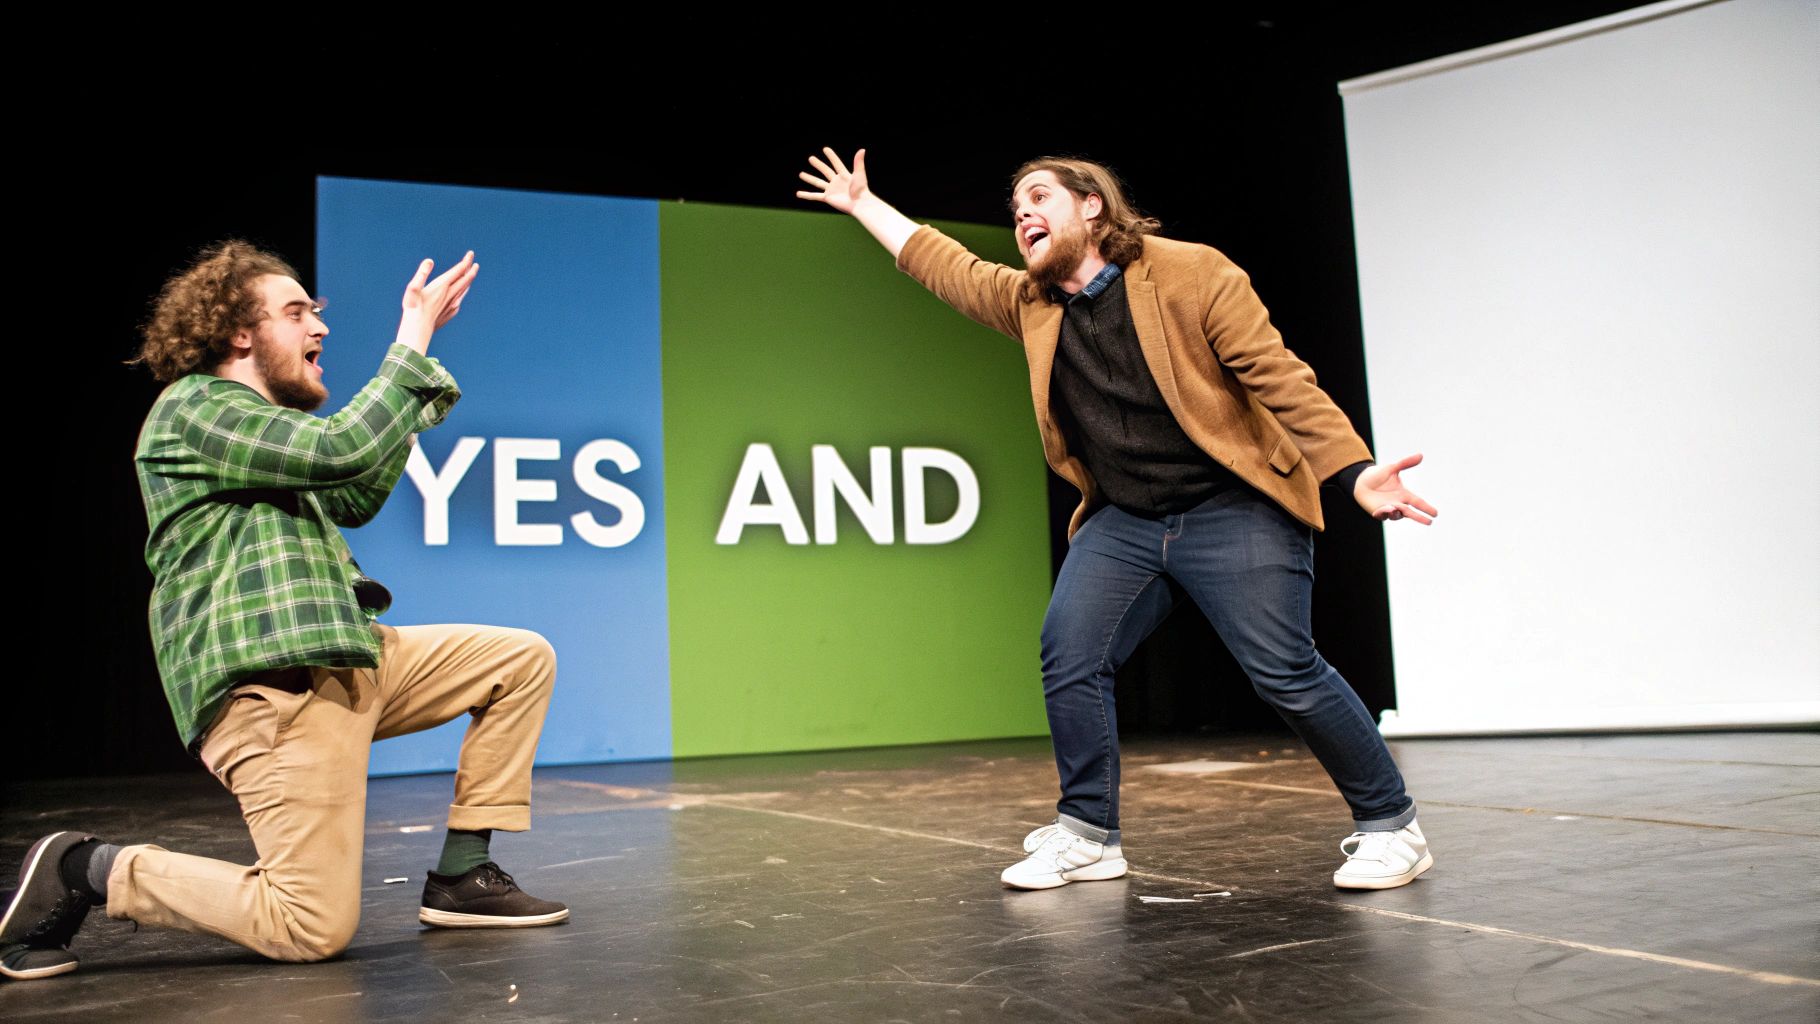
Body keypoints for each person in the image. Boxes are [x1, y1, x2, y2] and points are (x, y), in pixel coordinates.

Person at [797, 149, 1439, 893]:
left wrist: (1352, 471)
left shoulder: (1192, 273)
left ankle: (1393, 826)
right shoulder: (1030, 302)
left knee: (1284, 670)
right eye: (1016, 210)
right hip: (1128, 518)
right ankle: (1088, 835)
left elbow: (1278, 375)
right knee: (1070, 653)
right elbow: (943, 263)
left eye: (1040, 197)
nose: (1023, 215)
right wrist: (862, 203)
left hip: (1232, 504)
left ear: (1093, 205)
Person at [1, 242, 567, 981]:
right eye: (296, 313)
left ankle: (462, 875)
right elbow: (342, 452)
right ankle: (85, 868)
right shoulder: (195, 408)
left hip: (347, 657)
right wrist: (412, 338)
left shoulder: (268, 435)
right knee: (309, 926)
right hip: (277, 692)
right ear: (239, 332)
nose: (320, 327)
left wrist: (407, 393)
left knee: (517, 659)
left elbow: (354, 493)